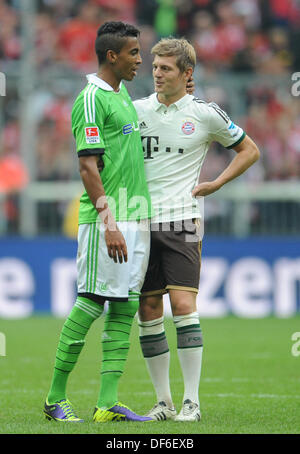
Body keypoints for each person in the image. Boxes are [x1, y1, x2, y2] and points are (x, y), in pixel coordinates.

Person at [133, 37, 260, 421]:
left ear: (186, 73)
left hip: (185, 221)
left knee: (184, 305)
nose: (156, 73)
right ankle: (163, 401)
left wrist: (217, 183)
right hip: (140, 222)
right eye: (154, 67)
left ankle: (192, 401)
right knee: (149, 308)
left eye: (165, 68)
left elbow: (249, 150)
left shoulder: (205, 114)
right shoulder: (134, 110)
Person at [43, 21, 154, 423]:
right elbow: (88, 166)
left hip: (135, 216)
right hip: (106, 219)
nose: (140, 60)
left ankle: (107, 402)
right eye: (134, 53)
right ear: (112, 55)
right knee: (90, 302)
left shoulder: (122, 94)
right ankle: (55, 398)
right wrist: (109, 223)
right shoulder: (90, 99)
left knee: (125, 306)